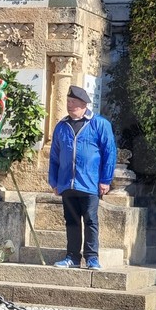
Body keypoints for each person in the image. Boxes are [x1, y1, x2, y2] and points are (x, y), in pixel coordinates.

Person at [48, 85, 117, 270]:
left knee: (90, 220)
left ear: (84, 104)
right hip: (66, 182)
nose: (70, 106)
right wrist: (53, 181)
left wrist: (106, 179)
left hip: (90, 182)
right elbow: (54, 155)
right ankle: (72, 256)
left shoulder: (99, 124)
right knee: (71, 221)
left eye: (73, 102)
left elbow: (109, 153)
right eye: (68, 102)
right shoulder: (61, 126)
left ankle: (92, 257)